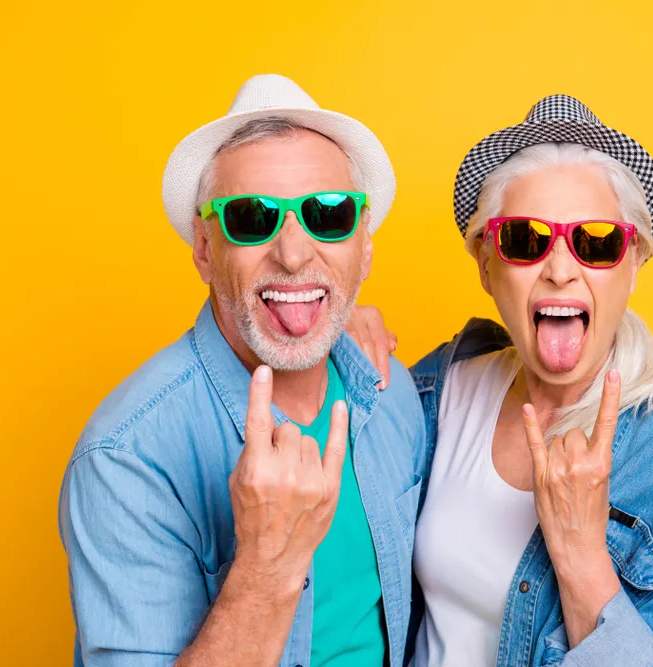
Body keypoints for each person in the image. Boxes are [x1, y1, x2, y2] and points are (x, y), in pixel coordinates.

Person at [349, 95, 653, 665]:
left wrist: (580, 556)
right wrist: (333, 333)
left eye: (596, 242)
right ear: (486, 264)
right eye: (526, 239)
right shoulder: (438, 392)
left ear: (633, 262)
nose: (561, 269)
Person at [58, 74, 426, 667]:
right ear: (205, 249)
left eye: (327, 215)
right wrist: (267, 563)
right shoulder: (126, 456)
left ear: (363, 250)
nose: (293, 253)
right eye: (252, 218)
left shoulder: (396, 396)